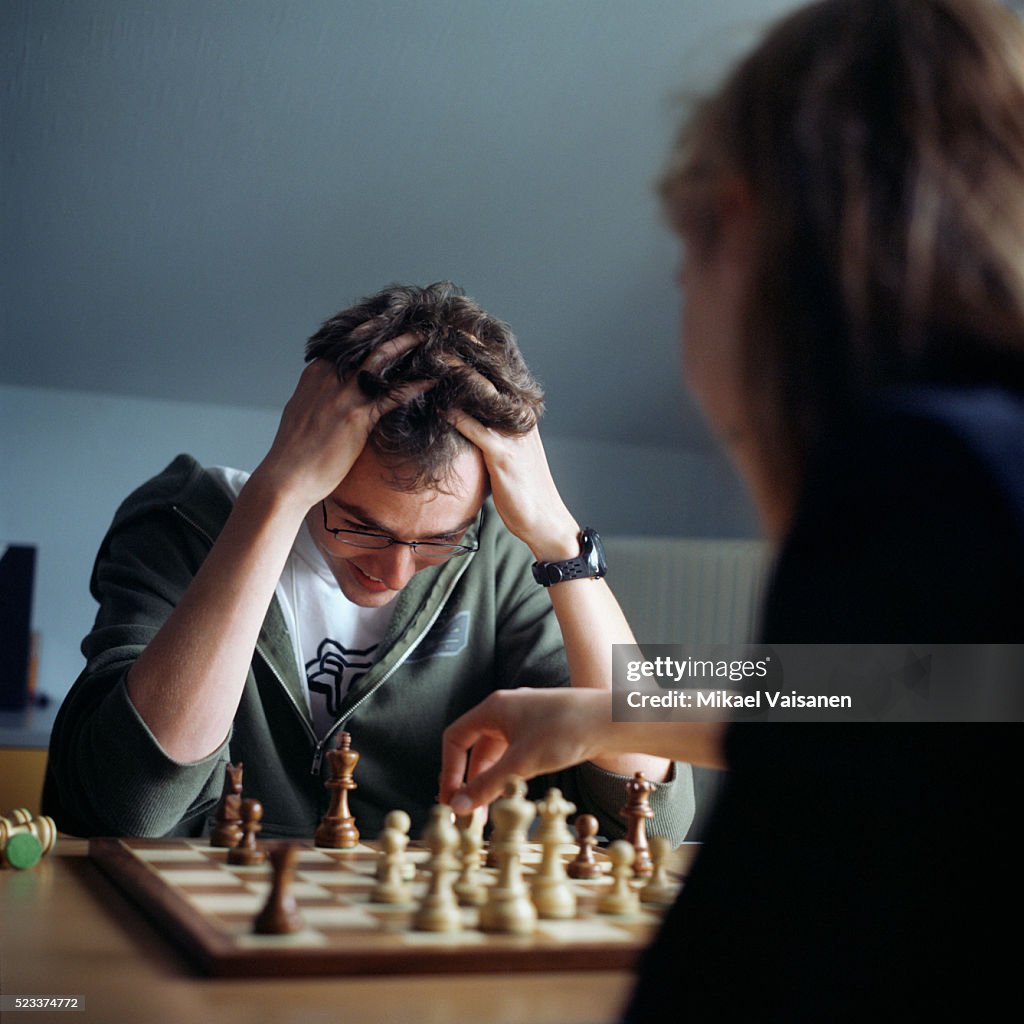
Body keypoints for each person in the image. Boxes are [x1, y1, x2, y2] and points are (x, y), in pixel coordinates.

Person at [439, 0, 1024, 1018]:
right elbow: (918, 686)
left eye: (682, 260)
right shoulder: (980, 451)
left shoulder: (917, 469)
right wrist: (611, 704)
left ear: (738, 229)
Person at [43, 282, 694, 842]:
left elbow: (653, 812)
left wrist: (558, 540)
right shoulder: (180, 521)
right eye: (359, 526)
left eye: (439, 540)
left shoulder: (497, 551)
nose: (395, 571)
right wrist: (276, 496)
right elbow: (126, 806)